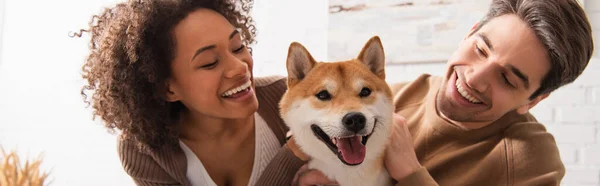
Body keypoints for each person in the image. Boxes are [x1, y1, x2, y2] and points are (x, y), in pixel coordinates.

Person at [291, 0, 594, 185]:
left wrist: (410, 172)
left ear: (534, 100)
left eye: (507, 79)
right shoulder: (390, 97)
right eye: (480, 49)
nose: (475, 77)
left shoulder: (532, 161)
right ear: (470, 32)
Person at [74, 0, 304, 185]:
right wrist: (295, 153)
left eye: (238, 47)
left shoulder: (290, 99)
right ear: (168, 88)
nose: (240, 67)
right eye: (209, 63)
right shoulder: (146, 152)